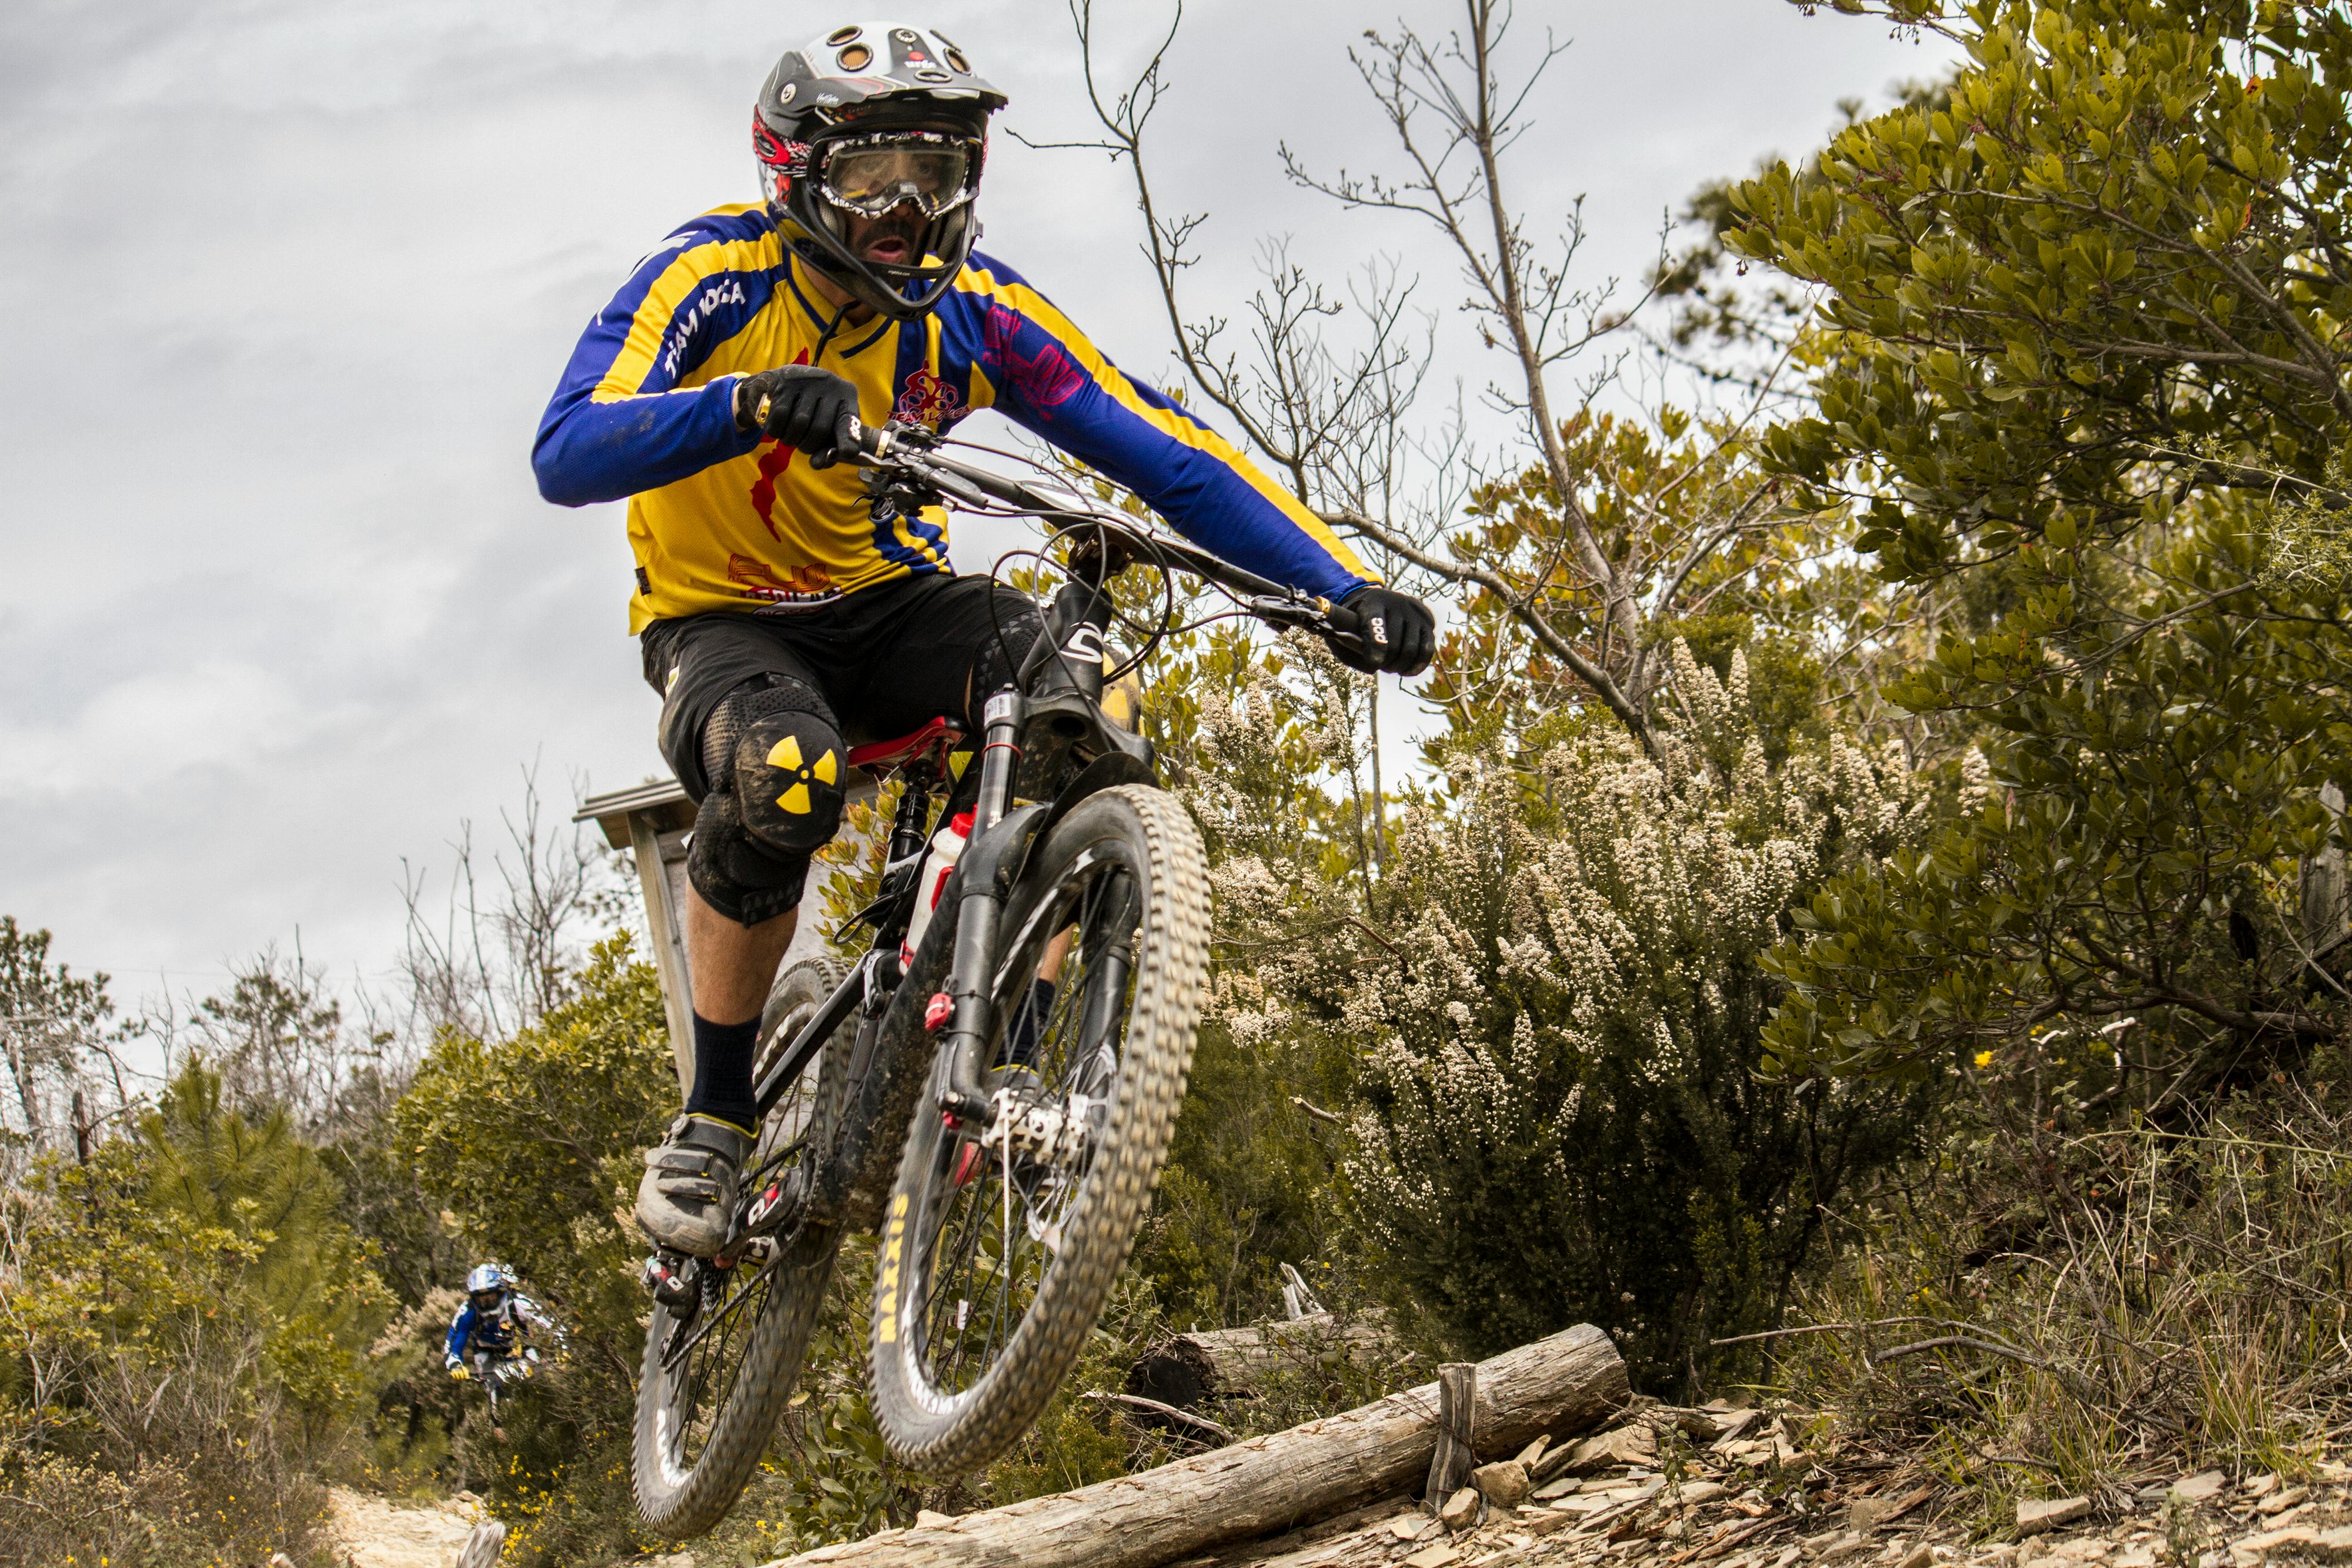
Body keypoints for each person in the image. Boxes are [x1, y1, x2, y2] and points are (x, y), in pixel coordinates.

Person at [532, 19, 1436, 1259]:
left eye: (941, 173)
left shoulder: (978, 314)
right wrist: (742, 406)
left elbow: (1161, 449)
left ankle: (1010, 1062)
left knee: (1088, 686)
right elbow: (568, 446)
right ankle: (713, 1119)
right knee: (785, 775)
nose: (907, 208)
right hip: (724, 624)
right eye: (870, 177)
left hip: (892, 606)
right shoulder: (714, 278)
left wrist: (1338, 592)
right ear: (795, 169)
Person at [444, 1263, 553, 1382]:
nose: (487, 1304)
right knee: (494, 1390)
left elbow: (550, 1324)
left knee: (536, 1385)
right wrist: (455, 1364)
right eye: (481, 1300)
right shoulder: (468, 1312)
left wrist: (563, 1348)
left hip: (522, 1352)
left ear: (501, 1292)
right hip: (487, 1355)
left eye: (491, 1298)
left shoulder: (519, 1303)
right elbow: (454, 1342)